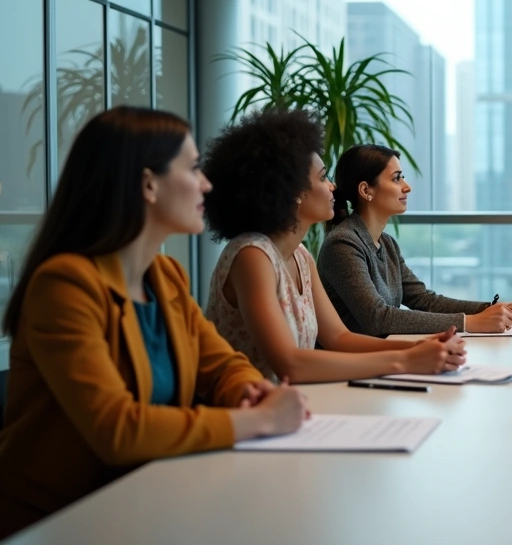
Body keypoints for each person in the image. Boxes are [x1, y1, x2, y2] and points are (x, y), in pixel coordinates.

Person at [0, 108, 306, 537]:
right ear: (147, 184)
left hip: (145, 500)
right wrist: (258, 420)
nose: (206, 183)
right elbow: (117, 430)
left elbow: (222, 364)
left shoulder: (166, 278)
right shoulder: (64, 285)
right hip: (62, 520)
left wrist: (246, 389)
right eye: (194, 168)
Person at [202, 109, 466, 383]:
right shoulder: (252, 256)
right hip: (244, 414)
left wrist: (420, 347)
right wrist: (405, 360)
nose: (333, 187)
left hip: (291, 408)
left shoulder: (301, 256)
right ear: (293, 191)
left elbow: (340, 339)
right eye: (323, 177)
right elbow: (290, 365)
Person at [318, 144, 512, 336]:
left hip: (385, 356)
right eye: (396, 178)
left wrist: (490, 310)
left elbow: (424, 300)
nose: (407, 187)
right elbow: (378, 318)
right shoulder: (343, 244)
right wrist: (470, 322)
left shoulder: (387, 244)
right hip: (354, 366)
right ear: (366, 190)